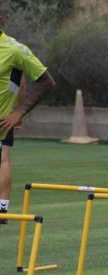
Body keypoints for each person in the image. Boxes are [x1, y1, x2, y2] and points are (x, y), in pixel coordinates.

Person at [0, 15, 56, 224]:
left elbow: (46, 82)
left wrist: (19, 112)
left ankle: (2, 208)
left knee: (4, 159)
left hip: (3, 120)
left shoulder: (14, 50)